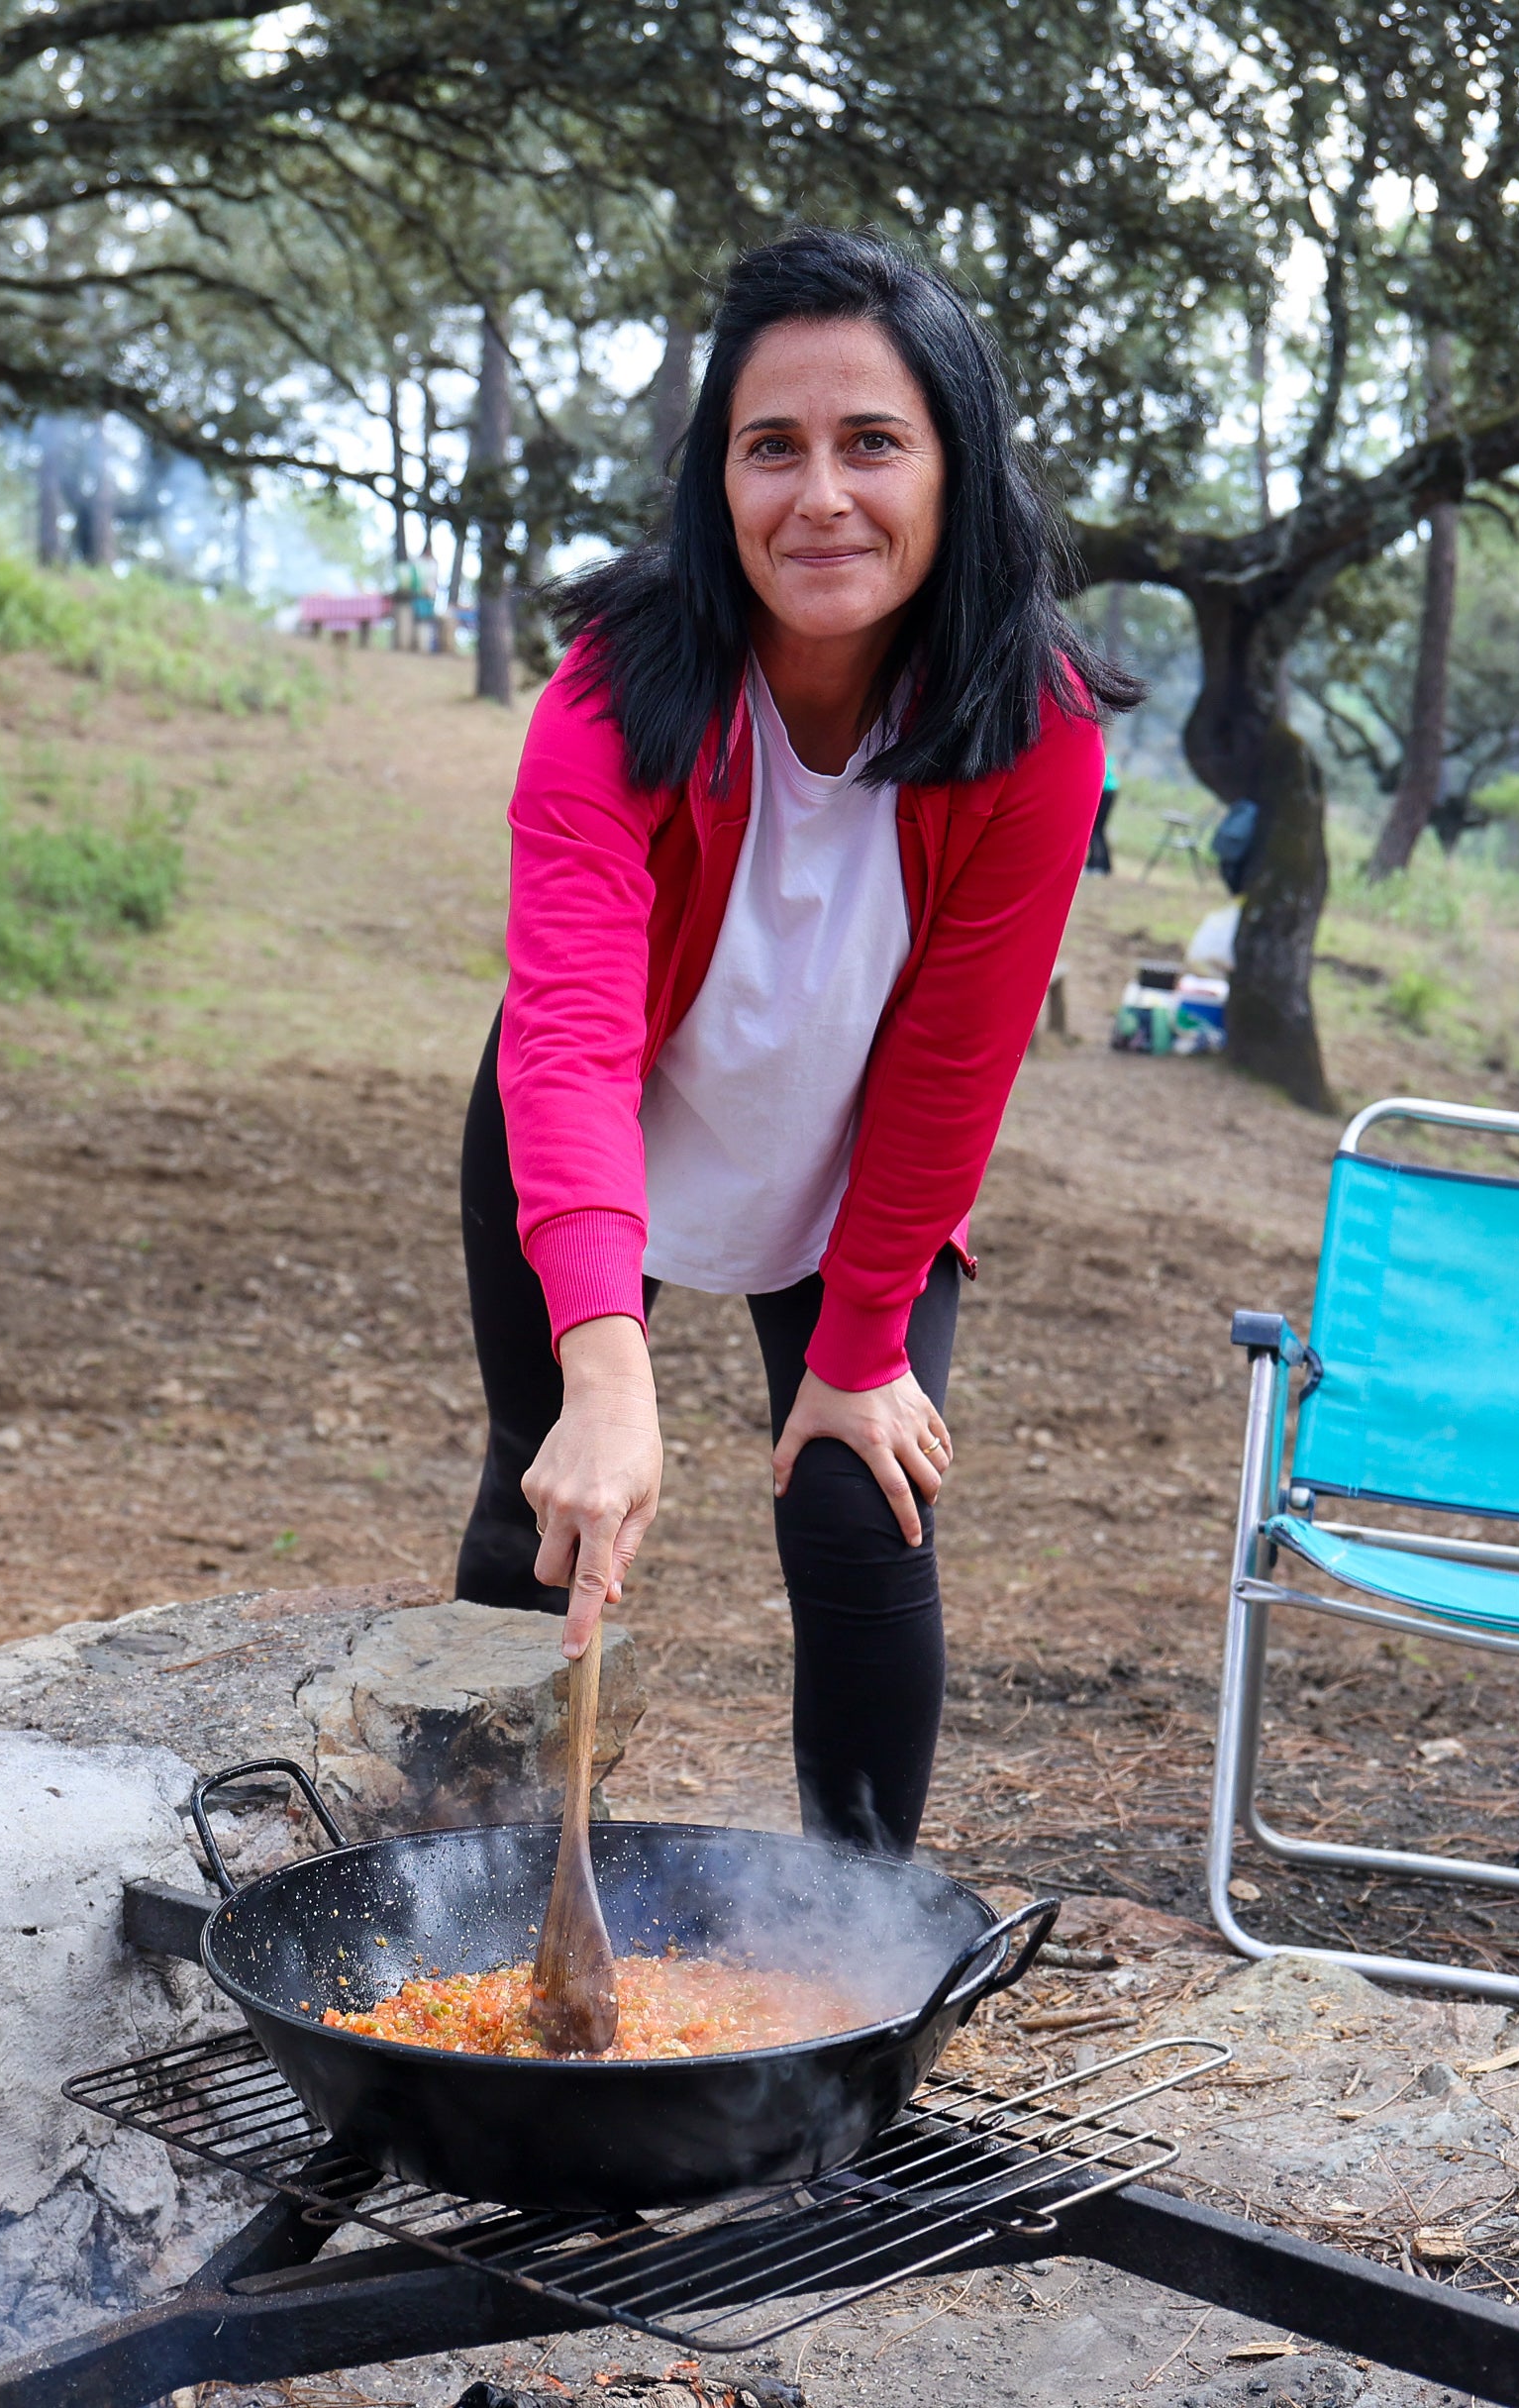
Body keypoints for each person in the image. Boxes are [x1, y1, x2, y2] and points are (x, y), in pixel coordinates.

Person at [456, 227, 1142, 1856]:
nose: (819, 495)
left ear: (953, 466)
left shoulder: (1032, 732)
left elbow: (950, 1068)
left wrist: (853, 1355)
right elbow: (560, 1034)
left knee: (859, 1502)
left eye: (871, 443)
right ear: (716, 480)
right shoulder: (609, 696)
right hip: (589, 1130)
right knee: (538, 1491)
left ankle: (856, 1957)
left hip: (858, 1153)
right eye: (772, 447)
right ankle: (476, 1900)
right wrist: (605, 1375)